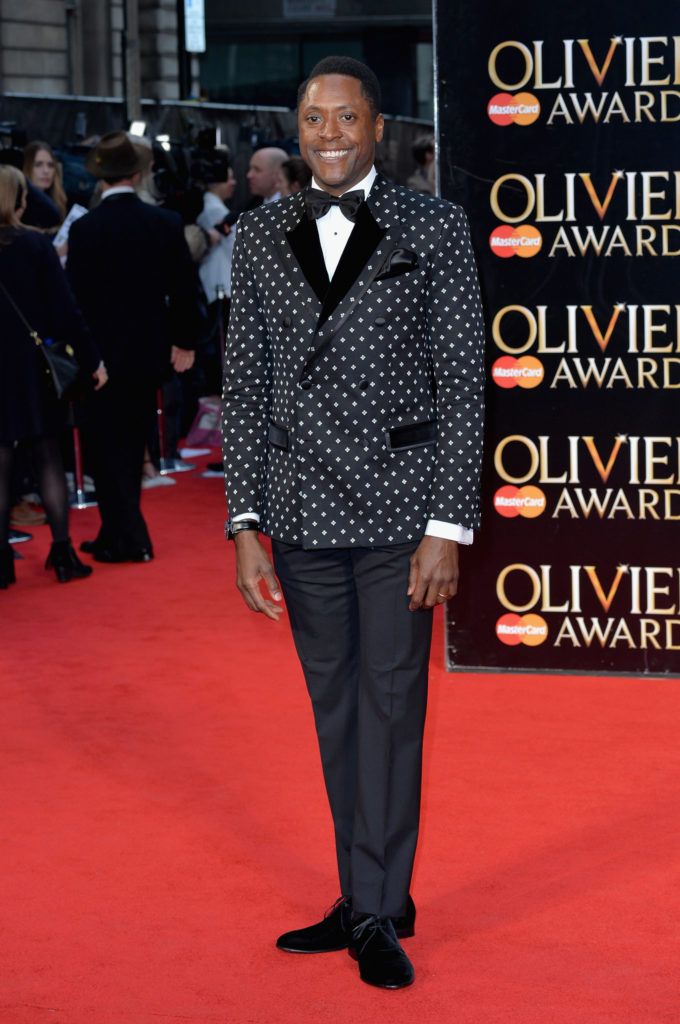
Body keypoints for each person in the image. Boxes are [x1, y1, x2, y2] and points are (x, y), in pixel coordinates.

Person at [221, 56, 485, 989]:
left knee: (391, 708)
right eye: (313, 120)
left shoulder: (436, 227)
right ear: (298, 130)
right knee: (336, 713)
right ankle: (365, 889)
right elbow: (244, 389)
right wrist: (244, 521)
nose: (329, 136)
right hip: (297, 515)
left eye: (346, 119)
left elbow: (463, 384)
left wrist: (449, 526)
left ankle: (378, 907)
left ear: (377, 126)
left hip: (400, 514)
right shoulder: (259, 232)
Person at [66, 132, 202, 564]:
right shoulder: (162, 223)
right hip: (149, 353)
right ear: (138, 174)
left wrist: (84, 354)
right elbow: (184, 288)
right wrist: (185, 341)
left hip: (101, 358)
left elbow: (76, 300)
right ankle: (117, 533)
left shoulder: (85, 229)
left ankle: (129, 538)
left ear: (101, 179)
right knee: (133, 441)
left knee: (106, 447)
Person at [0, 166, 107, 587]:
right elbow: (66, 312)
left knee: (1, 463)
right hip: (32, 367)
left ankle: (2, 563)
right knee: (47, 456)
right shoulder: (35, 246)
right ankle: (62, 554)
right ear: (21, 200)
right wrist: (91, 359)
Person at [23, 140, 68, 220]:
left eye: (50, 165)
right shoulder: (19, 204)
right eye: (38, 165)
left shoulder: (58, 201)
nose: (46, 171)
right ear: (26, 167)